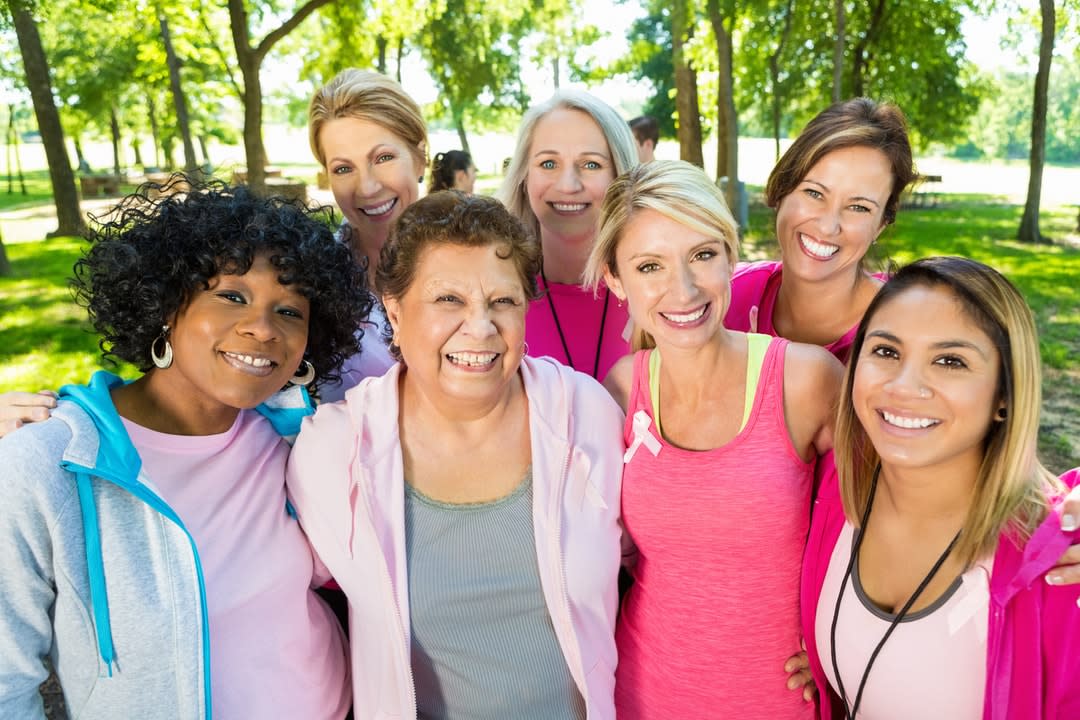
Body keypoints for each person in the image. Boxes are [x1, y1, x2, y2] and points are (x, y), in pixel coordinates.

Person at [0, 179, 369, 718]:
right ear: (167, 307)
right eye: (232, 296)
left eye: (290, 311)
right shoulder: (48, 463)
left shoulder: (296, 438)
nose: (263, 329)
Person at [285, 191, 626, 719]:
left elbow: (663, 561)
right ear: (394, 312)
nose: (481, 327)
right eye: (449, 300)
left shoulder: (587, 415)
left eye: (503, 301)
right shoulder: (332, 452)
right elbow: (270, 596)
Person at [584, 160, 841, 717]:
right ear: (614, 279)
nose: (683, 290)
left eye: (702, 255)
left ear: (730, 257)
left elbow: (908, 498)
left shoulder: (805, 379)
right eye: (649, 265)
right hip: (643, 694)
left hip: (779, 700)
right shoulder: (622, 390)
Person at [802, 256, 1080, 719]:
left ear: (1005, 396)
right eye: (886, 351)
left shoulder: (1056, 571)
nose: (904, 386)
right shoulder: (831, 488)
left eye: (950, 361)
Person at [724, 97, 917, 364]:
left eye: (859, 207)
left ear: (880, 226)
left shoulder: (909, 326)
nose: (828, 226)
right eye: (814, 193)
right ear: (782, 190)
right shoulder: (724, 297)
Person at [498, 90, 638, 381]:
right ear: (524, 175)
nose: (568, 185)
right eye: (548, 163)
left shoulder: (655, 290)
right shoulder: (494, 294)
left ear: (621, 177)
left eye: (591, 164)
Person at [308, 67, 429, 397]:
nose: (368, 187)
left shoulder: (476, 259)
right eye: (344, 168)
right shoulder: (310, 283)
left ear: (420, 158)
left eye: (383, 157)